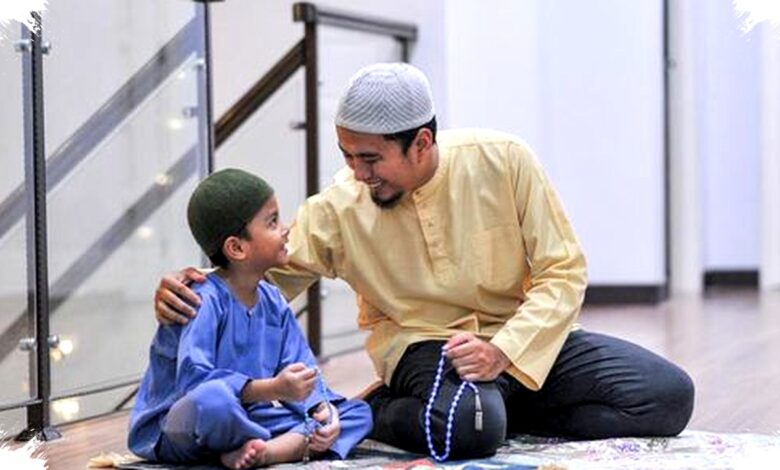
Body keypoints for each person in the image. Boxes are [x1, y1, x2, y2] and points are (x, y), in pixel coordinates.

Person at [153, 63, 694, 460]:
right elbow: (256, 275)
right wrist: (191, 289)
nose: (358, 173)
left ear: (422, 142)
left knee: (667, 398)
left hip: (522, 343)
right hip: (426, 344)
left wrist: (504, 351)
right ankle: (380, 410)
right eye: (347, 156)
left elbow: (563, 269)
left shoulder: (504, 161)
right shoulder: (339, 207)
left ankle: (490, 409)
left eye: (371, 158)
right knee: (471, 428)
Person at [129, 169, 372, 469]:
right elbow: (195, 383)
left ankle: (263, 451)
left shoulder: (273, 300)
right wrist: (273, 390)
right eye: (272, 222)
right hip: (182, 426)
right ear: (237, 248)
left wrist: (323, 410)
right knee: (214, 399)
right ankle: (283, 444)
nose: (285, 230)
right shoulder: (201, 299)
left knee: (356, 413)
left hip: (249, 418)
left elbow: (303, 369)